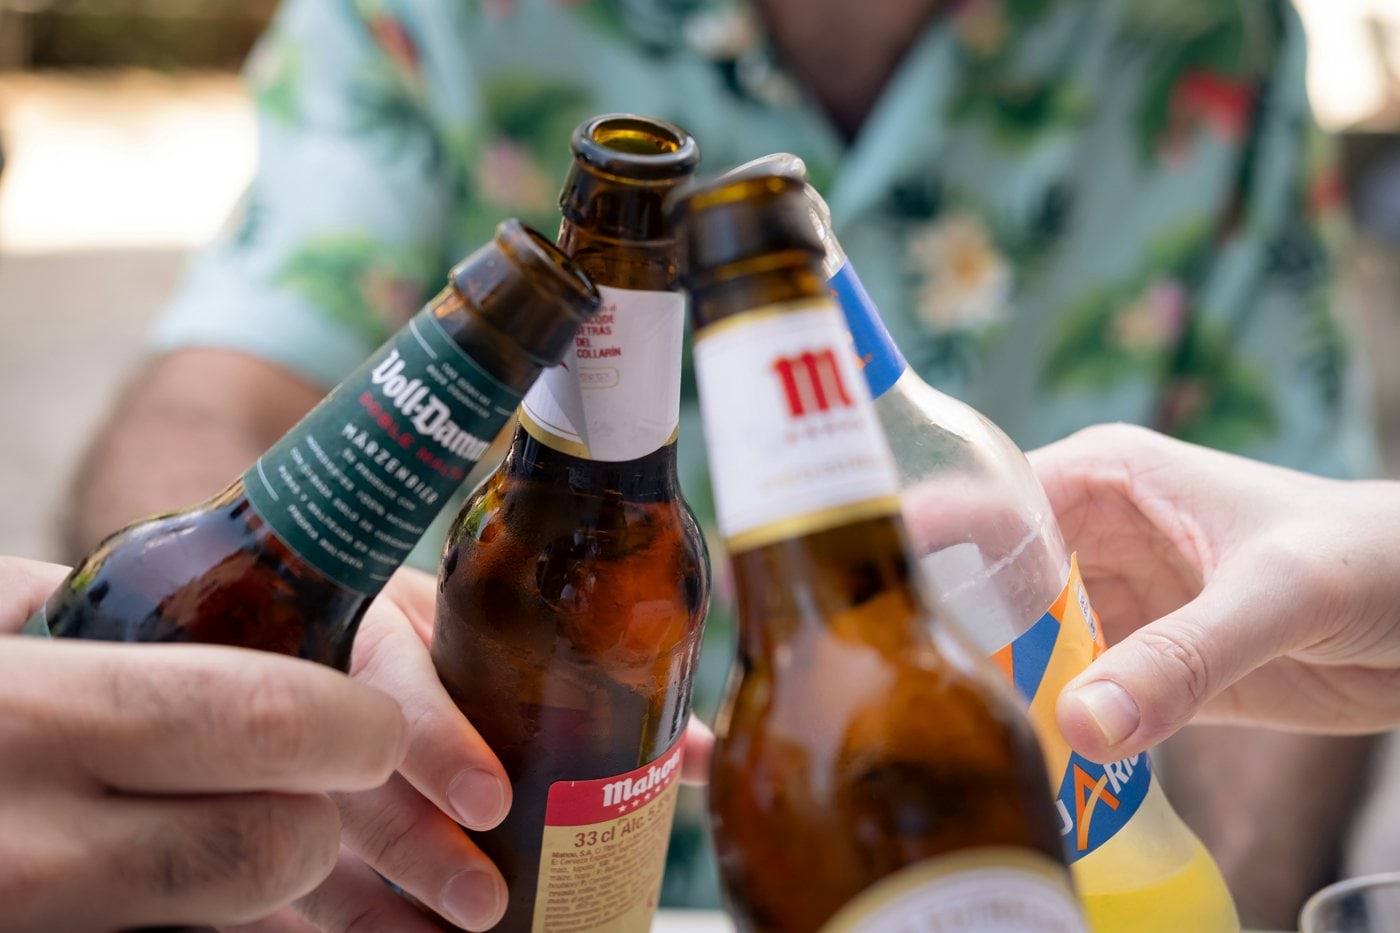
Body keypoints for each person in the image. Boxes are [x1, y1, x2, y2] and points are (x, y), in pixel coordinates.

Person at [64, 0, 1372, 926]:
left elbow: (1271, 578)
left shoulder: (1206, 37)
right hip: (452, 884)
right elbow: (219, 385)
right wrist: (252, 656)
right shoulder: (451, 17)